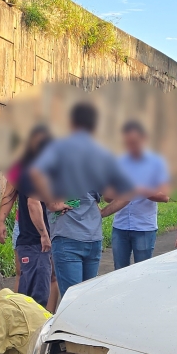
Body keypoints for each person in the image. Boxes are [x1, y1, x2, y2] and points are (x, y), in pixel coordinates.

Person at [30, 102, 133, 296]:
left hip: (67, 234)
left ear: (71, 123)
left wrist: (51, 203)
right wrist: (103, 212)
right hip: (93, 237)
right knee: (86, 300)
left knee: (71, 300)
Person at [103, 120, 169, 269]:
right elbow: (107, 197)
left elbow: (164, 196)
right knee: (119, 271)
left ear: (143, 139)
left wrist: (139, 189)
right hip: (120, 227)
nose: (131, 146)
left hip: (144, 228)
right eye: (127, 143)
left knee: (142, 271)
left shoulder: (156, 163)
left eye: (134, 142)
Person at [10, 125, 53, 307]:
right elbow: (33, 203)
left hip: (30, 241)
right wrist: (44, 235)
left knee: (30, 291)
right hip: (35, 242)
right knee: (37, 296)